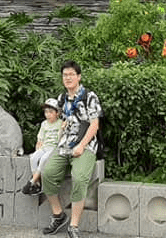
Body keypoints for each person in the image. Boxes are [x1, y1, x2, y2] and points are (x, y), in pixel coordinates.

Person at [41, 61, 102, 238]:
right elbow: (65, 120)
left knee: (79, 177)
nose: (67, 78)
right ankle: (58, 215)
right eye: (65, 75)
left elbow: (94, 125)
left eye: (71, 75)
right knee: (48, 173)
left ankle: (73, 226)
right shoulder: (62, 98)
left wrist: (82, 146)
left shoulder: (90, 97)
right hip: (65, 144)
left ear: (78, 77)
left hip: (86, 144)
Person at [21, 97, 63, 195]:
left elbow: (60, 138)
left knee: (44, 159)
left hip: (54, 148)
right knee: (33, 158)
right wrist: (38, 146)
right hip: (45, 147)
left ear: (58, 113)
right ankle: (37, 184)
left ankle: (31, 182)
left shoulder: (60, 123)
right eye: (46, 112)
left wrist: (62, 128)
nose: (47, 115)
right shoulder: (44, 124)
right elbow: (40, 138)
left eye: (51, 112)